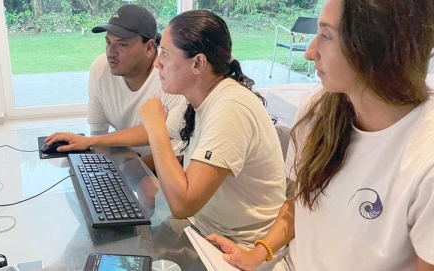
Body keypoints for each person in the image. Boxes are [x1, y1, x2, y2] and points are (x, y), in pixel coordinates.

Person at [48, 10, 288, 270]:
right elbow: (150, 131)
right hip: (202, 227)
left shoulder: (231, 108)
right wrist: (89, 142)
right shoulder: (199, 97)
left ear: (197, 64)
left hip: (238, 247)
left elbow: (182, 204)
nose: (157, 63)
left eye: (165, 54)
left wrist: (154, 126)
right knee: (95, 243)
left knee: (112, 253)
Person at [207, 0, 434, 270]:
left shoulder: (424, 157)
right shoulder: (316, 113)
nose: (310, 52)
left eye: (326, 35)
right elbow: (296, 207)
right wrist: (257, 253)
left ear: (376, 46)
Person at [83, 4, 185, 155]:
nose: (110, 52)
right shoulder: (100, 67)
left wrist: (126, 172)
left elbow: (176, 155)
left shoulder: (171, 80)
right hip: (128, 161)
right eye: (108, 42)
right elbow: (98, 136)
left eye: (122, 44)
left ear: (149, 48)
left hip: (162, 170)